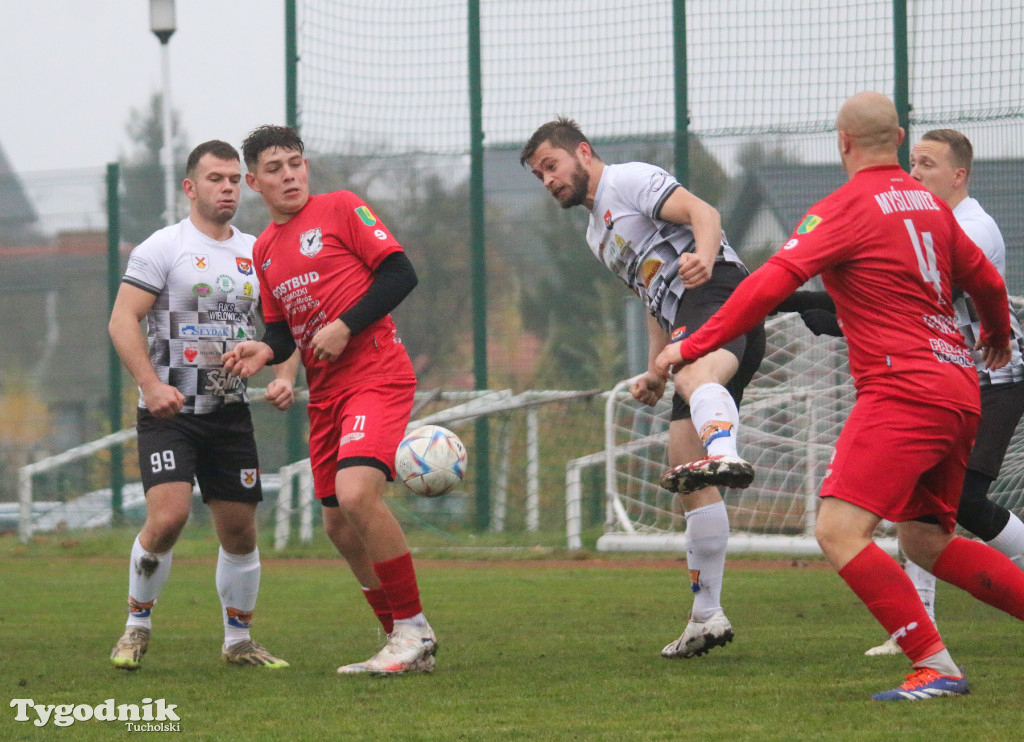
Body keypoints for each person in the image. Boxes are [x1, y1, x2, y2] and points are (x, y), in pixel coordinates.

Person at [653, 91, 1024, 700]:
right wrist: (998, 336)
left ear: (843, 142)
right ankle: (939, 662)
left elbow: (767, 284)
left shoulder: (844, 208)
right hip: (959, 387)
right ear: (898, 140)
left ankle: (936, 666)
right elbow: (985, 279)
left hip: (903, 389)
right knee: (925, 539)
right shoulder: (932, 207)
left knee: (838, 528)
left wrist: (695, 342)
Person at [520, 118, 765, 660]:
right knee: (686, 471)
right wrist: (655, 370)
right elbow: (652, 296)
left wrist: (703, 257)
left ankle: (726, 451)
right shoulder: (595, 235)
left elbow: (705, 214)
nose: (548, 180)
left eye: (551, 166)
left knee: (695, 385)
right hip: (689, 318)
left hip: (720, 294)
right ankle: (707, 617)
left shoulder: (628, 180)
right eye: (540, 176)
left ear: (583, 153)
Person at [223, 125, 436, 676]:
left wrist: (345, 325)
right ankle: (400, 638)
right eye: (275, 169)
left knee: (356, 493)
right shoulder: (263, 251)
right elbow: (282, 331)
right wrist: (263, 350)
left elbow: (401, 273)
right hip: (326, 394)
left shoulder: (341, 207)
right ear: (254, 182)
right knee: (339, 526)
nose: (289, 175)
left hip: (376, 373)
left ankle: (413, 630)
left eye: (296, 163)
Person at [108, 140, 299, 670]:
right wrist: (151, 386)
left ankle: (238, 641)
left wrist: (284, 377)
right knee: (168, 518)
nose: (228, 188)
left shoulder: (258, 251)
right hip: (169, 414)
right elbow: (122, 320)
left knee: (239, 531)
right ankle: (136, 627)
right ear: (191, 188)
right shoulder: (163, 247)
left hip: (230, 414)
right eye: (217, 179)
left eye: (235, 179)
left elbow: (285, 327)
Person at [861, 129, 1024, 656]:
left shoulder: (974, 227)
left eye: (927, 164)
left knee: (964, 501)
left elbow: (924, 294)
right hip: (948, 381)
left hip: (996, 379)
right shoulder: (922, 224)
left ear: (959, 176)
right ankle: (919, 623)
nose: (914, 173)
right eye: (912, 162)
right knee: (920, 503)